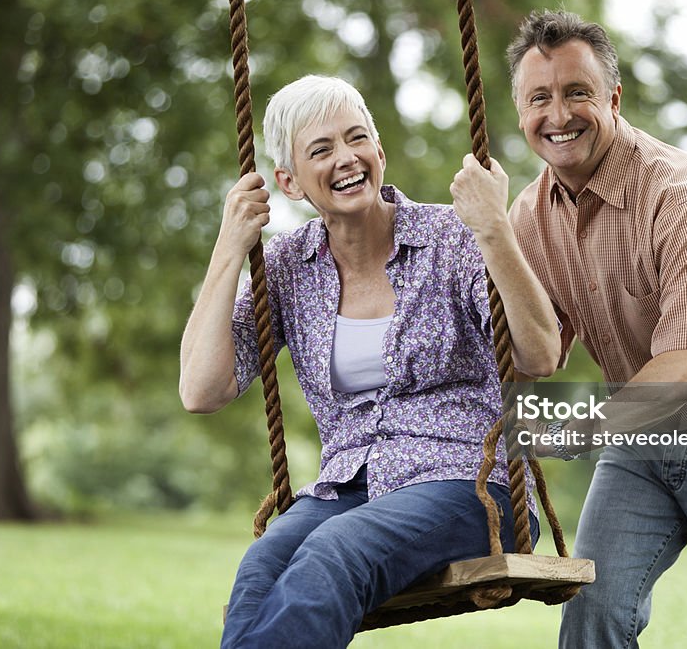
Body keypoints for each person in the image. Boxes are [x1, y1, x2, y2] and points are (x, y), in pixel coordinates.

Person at [474, 10, 687, 647]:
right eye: (539, 98)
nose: (558, 115)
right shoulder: (528, 213)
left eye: (577, 92)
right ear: (520, 111)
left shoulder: (684, 192)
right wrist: (494, 234)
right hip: (642, 432)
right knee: (592, 618)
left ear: (612, 97)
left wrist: (573, 426)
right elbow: (542, 351)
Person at [178, 75, 559, 649]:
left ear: (379, 152)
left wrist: (494, 229)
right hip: (350, 486)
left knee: (335, 552)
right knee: (262, 568)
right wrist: (229, 249)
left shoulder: (452, 238)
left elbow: (542, 354)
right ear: (288, 181)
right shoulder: (286, 267)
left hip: (467, 484)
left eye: (357, 139)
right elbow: (201, 391)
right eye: (321, 150)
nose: (347, 158)